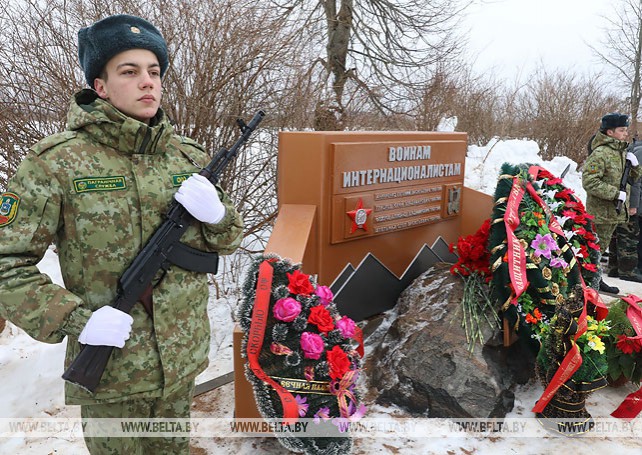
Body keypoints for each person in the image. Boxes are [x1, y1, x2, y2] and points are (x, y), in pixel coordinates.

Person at [0, 14, 244, 454]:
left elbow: (226, 243)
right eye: (129, 72)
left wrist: (218, 214)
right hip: (113, 371)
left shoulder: (187, 158)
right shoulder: (56, 163)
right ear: (100, 86)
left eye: (154, 72)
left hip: (181, 362)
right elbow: (5, 264)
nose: (146, 82)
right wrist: (79, 321)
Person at [583, 112, 641, 294]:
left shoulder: (621, 152)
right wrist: (615, 194)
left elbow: (634, 178)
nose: (626, 133)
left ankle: (595, 280)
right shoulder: (601, 153)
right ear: (610, 132)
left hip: (614, 212)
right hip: (601, 212)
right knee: (594, 249)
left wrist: (635, 165)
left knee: (602, 248)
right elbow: (589, 181)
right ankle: (588, 282)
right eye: (622, 130)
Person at [607, 136, 642, 282]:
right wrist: (633, 205)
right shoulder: (640, 152)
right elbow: (635, 181)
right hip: (631, 200)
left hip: (626, 199)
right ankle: (627, 271)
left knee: (619, 234)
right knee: (629, 236)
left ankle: (615, 268)